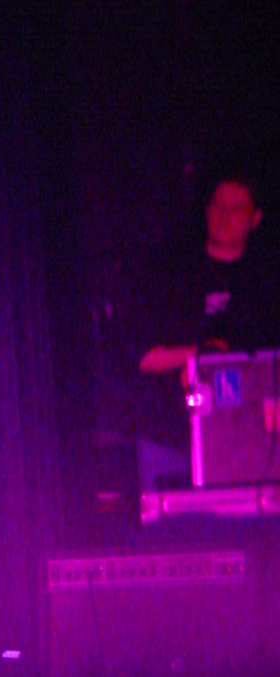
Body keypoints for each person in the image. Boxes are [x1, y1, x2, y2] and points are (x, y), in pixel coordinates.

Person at [136, 162, 280, 486]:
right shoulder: (171, 273)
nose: (224, 214)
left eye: (236, 207)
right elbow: (141, 356)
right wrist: (199, 355)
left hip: (250, 442)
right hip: (171, 438)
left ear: (255, 218)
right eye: (218, 204)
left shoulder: (266, 283)